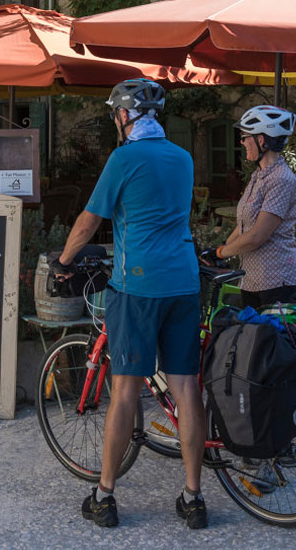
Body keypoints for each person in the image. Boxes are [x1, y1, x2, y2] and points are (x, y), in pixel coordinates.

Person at [50, 78, 207, 530]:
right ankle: (193, 498)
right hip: (183, 282)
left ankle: (104, 495)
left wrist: (64, 260)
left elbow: (88, 221)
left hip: (137, 286)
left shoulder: (123, 158)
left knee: (123, 391)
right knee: (185, 388)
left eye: (115, 115)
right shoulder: (183, 158)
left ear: (124, 116)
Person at [200, 105, 296, 312]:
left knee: (269, 343)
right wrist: (219, 249)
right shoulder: (259, 176)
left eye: (245, 137)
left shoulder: (281, 179)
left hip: (278, 282)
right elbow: (244, 225)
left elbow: (258, 235)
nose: (242, 142)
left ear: (261, 140)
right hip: (253, 280)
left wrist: (222, 253)